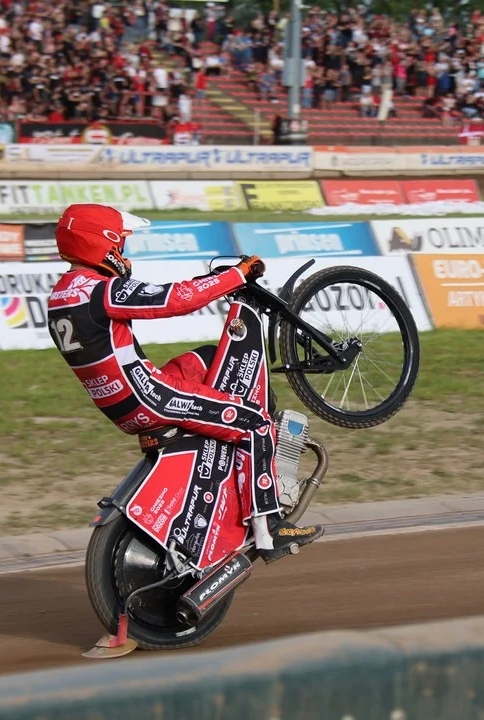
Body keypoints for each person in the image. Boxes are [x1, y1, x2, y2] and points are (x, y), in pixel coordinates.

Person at [46, 204, 324, 563]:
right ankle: (269, 529)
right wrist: (237, 275)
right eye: (122, 245)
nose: (124, 254)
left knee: (208, 356)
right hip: (149, 397)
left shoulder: (62, 294)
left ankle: (230, 475)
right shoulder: (99, 289)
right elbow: (178, 300)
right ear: (105, 244)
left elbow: (159, 303)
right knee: (254, 422)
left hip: (121, 404)